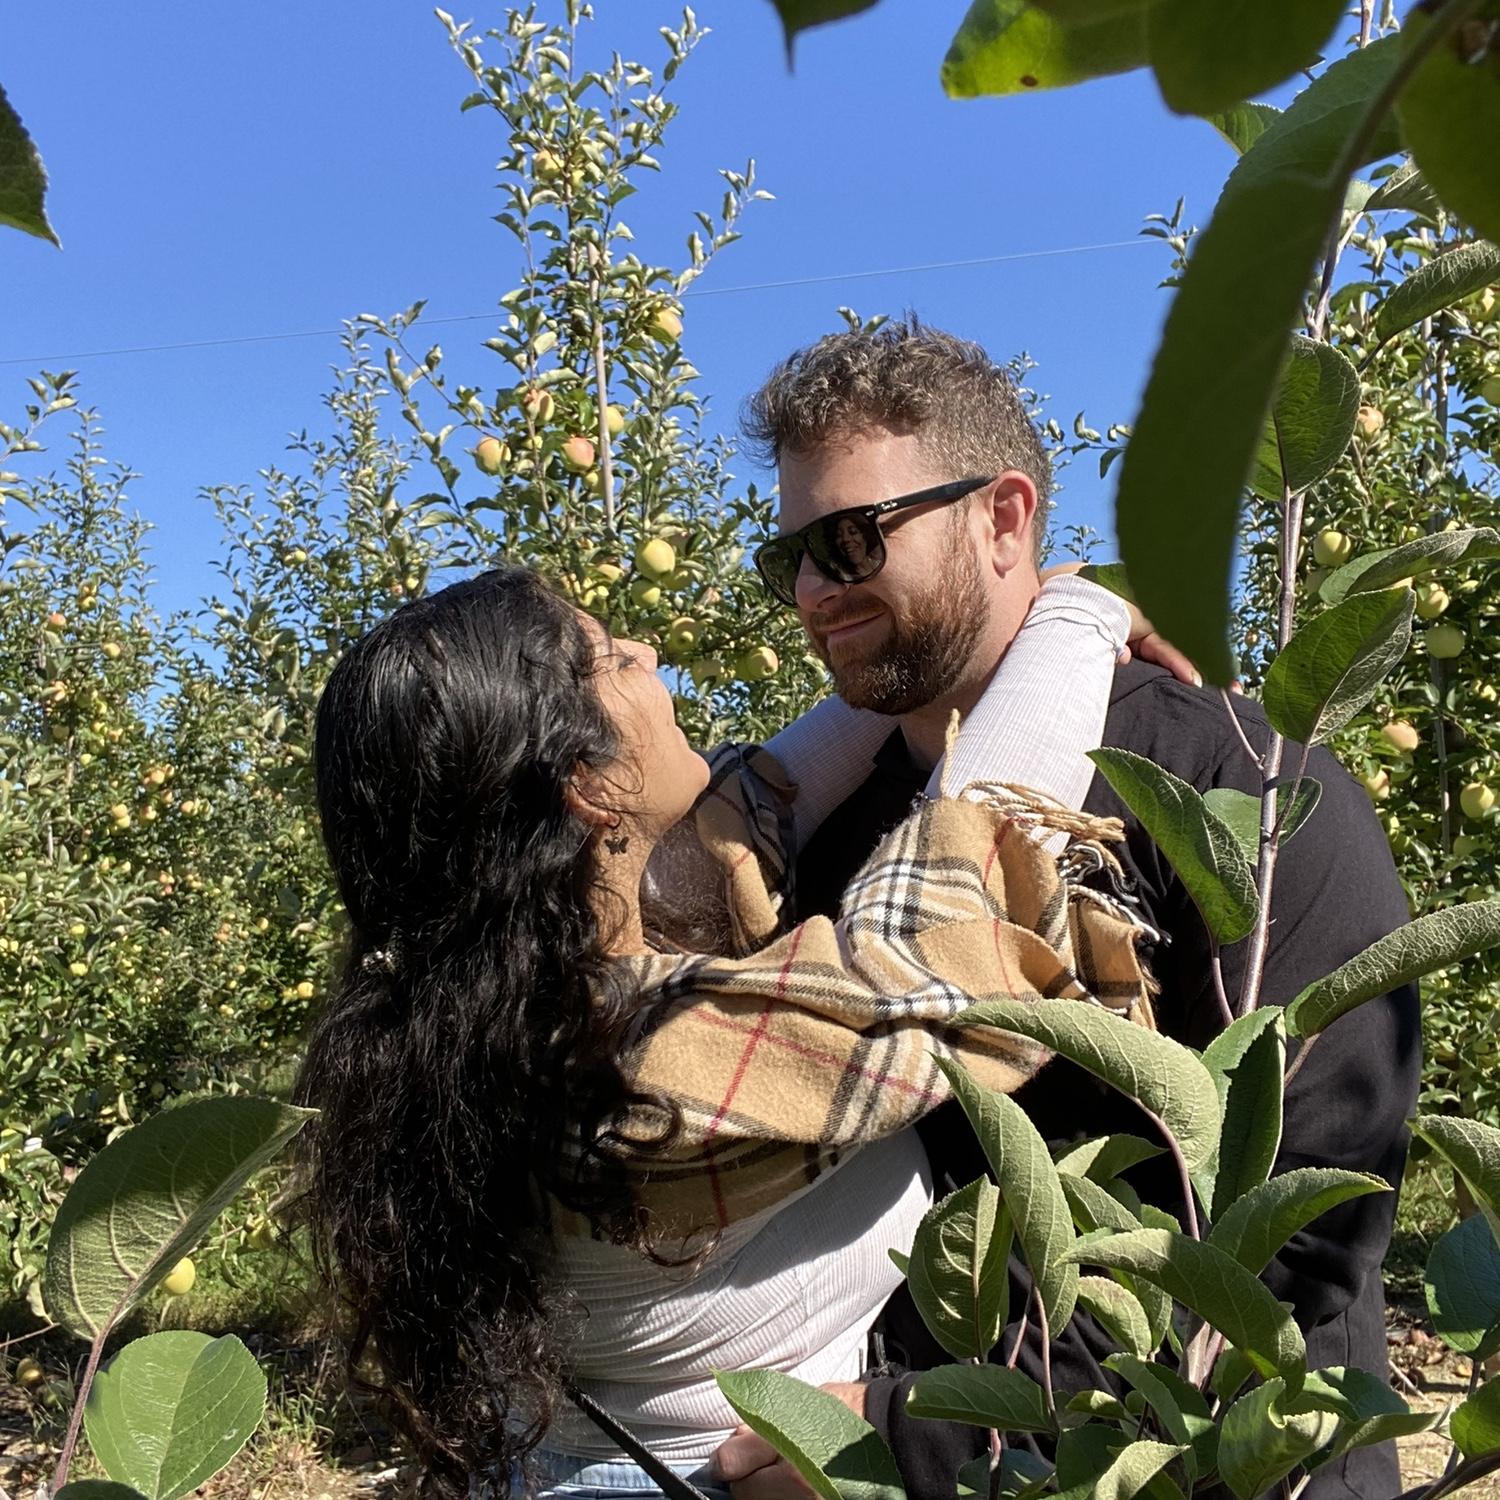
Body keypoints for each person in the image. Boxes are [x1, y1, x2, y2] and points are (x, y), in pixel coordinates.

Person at [714, 317, 1422, 1500]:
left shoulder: (1237, 790)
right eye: (786, 556)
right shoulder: (834, 835)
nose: (812, 591)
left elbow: (1305, 1225)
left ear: (1004, 519)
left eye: (849, 539)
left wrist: (914, 1434)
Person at [292, 561, 1171, 1500]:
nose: (649, 650)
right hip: (717, 1476)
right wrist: (1081, 612)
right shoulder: (641, 1065)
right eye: (612, 659)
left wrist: (940, 645)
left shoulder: (471, 1018)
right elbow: (944, 916)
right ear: (586, 784)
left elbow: (752, 805)